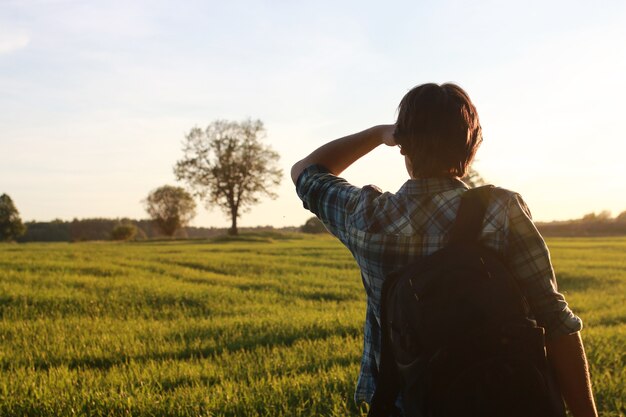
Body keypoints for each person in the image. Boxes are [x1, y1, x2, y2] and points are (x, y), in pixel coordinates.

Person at [291, 83, 598, 416]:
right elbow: (555, 323)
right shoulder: (502, 210)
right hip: (502, 400)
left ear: (403, 145)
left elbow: (305, 171)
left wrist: (380, 134)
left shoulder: (366, 215)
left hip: (405, 404)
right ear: (473, 145)